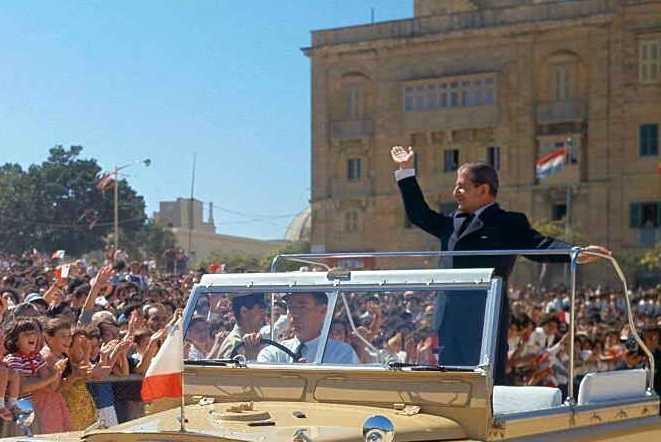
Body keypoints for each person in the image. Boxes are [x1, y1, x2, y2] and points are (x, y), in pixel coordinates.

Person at [390, 146, 610, 380]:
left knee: (485, 386)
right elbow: (418, 214)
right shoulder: (452, 222)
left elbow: (538, 245)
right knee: (451, 384)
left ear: (483, 189)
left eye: (461, 186)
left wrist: (574, 253)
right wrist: (405, 171)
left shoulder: (508, 223)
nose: (455, 192)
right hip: (449, 320)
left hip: (484, 319)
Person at [243, 292, 360, 365]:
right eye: (291, 307)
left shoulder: (342, 353)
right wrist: (251, 354)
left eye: (302, 306)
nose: (295, 313)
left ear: (322, 311)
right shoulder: (274, 352)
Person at [217, 293, 267, 359]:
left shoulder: (250, 340)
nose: (264, 314)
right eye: (260, 309)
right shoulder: (235, 344)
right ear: (244, 311)